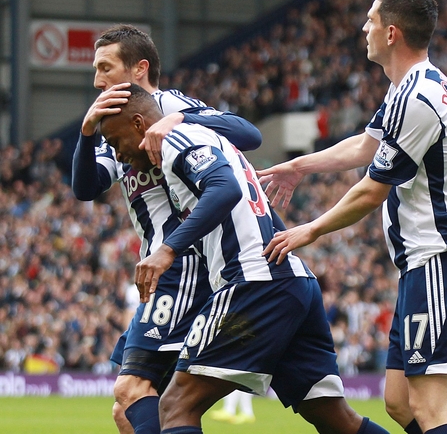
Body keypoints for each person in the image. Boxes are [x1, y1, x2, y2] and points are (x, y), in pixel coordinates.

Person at [98, 84, 390, 434]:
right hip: (291, 280)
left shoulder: (174, 137)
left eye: (116, 143)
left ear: (138, 124)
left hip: (253, 282)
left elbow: (224, 188)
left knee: (175, 406)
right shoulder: (206, 136)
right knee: (337, 420)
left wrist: (167, 249)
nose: (120, 155)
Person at [260, 0, 447, 433]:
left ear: (391, 32)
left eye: (369, 20)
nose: (363, 28)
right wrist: (297, 166)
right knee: (399, 404)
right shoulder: (409, 88)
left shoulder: (419, 97)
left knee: (432, 407)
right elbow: (366, 146)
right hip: (423, 265)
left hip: (442, 259)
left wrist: (309, 230)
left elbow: (371, 192)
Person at [71, 24, 262, 434]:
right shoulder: (114, 129)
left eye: (105, 67)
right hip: (162, 269)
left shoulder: (169, 105)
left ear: (139, 69)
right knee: (127, 411)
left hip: (183, 264)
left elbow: (250, 134)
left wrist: (175, 118)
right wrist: (87, 133)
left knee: (132, 389)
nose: (96, 80)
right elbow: (86, 188)